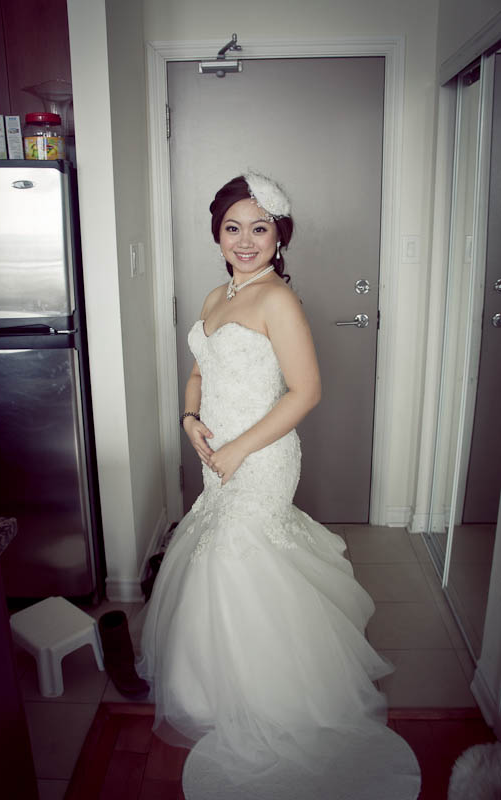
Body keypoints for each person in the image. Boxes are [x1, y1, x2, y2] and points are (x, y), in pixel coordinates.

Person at [137, 172, 421, 800]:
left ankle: (276, 695)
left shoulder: (277, 301)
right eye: (232, 228)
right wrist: (189, 419)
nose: (245, 241)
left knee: (241, 557)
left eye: (259, 228)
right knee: (217, 558)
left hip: (260, 457)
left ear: (278, 237)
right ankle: (217, 686)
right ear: (217, 235)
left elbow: (307, 391)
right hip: (217, 458)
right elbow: (200, 371)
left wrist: (239, 449)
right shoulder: (216, 296)